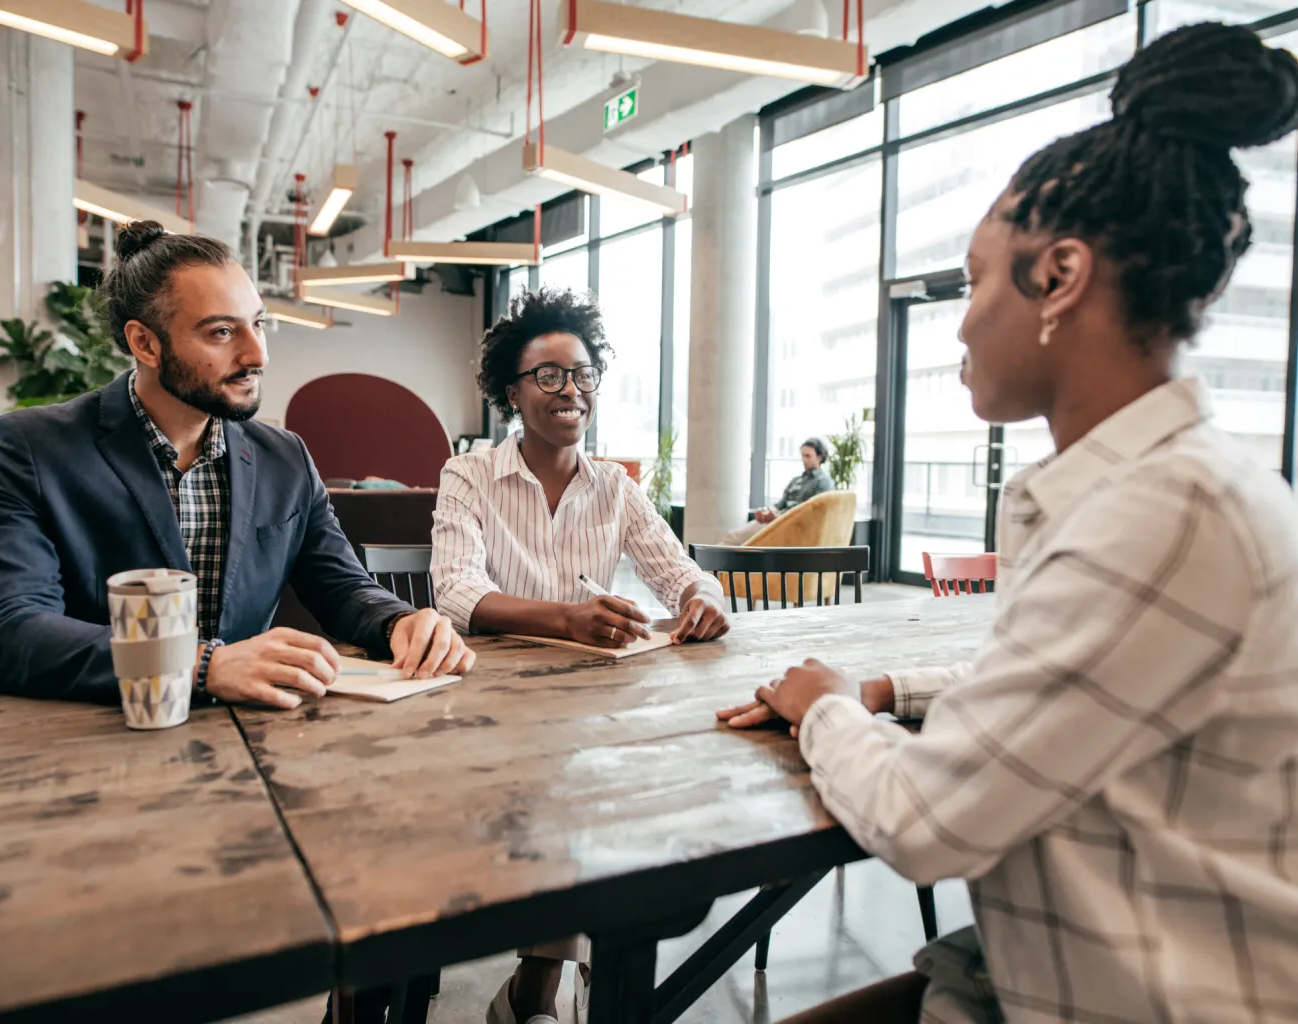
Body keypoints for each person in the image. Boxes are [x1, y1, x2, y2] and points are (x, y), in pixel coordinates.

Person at [721, 22, 1298, 1024]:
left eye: (971, 277)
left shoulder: (1164, 513)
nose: (956, 318)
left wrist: (823, 706)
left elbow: (921, 822)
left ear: (1058, 277)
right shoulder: (1160, 488)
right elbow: (1071, 677)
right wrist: (889, 687)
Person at [0, 221, 474, 709]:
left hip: (254, 741)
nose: (257, 354)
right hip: (92, 742)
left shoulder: (285, 457)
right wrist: (200, 666)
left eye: (258, 324)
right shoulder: (33, 448)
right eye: (221, 332)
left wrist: (399, 623)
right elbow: (4, 630)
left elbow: (341, 587)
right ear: (144, 343)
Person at [431, 286, 730, 1024]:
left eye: (584, 374)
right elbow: (456, 593)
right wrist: (565, 619)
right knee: (572, 791)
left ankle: (556, 980)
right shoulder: (467, 474)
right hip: (490, 708)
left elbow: (678, 570)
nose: (572, 391)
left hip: (592, 707)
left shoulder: (615, 488)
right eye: (550, 376)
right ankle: (561, 980)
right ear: (512, 391)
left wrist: (704, 597)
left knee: (625, 785)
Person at [720, 437, 833, 545]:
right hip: (776, 520)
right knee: (733, 536)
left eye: (808, 456)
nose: (804, 460)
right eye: (802, 455)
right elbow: (780, 504)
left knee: (736, 538)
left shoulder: (822, 482)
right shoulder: (796, 480)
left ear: (819, 457)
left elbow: (813, 512)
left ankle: (709, 563)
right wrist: (767, 511)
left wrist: (778, 516)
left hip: (790, 524)